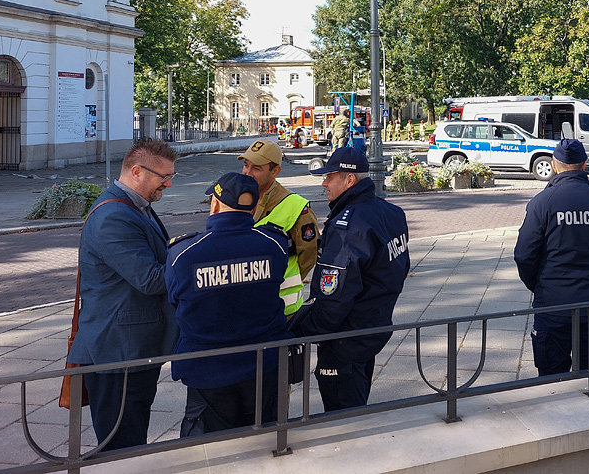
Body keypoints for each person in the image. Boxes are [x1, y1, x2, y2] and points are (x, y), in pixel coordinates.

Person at [67, 138, 180, 450]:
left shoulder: (135, 206)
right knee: (122, 448)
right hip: (117, 351)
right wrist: (195, 262)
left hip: (131, 347)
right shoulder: (114, 216)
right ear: (137, 171)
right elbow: (151, 278)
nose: (167, 185)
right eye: (164, 178)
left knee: (132, 441)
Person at [166, 173, 293, 436]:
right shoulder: (275, 244)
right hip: (264, 364)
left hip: (208, 372)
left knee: (210, 452)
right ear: (255, 208)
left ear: (214, 204)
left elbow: (174, 299)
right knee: (266, 443)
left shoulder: (184, 253)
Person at [292, 147, 410, 411]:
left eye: (329, 177)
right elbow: (401, 268)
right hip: (374, 326)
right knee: (358, 396)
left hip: (345, 338)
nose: (324, 183)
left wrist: (305, 331)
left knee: (343, 417)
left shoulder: (350, 227)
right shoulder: (390, 212)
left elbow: (334, 298)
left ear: (349, 180)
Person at [514, 139, 589, 375]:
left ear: (555, 165)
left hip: (553, 303)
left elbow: (525, 254)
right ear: (585, 164)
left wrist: (538, 284)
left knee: (552, 377)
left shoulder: (542, 203)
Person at [238, 140, 319, 315]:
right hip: (244, 309)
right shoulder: (234, 197)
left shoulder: (296, 207)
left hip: (283, 311)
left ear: (275, 171)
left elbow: (308, 256)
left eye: (256, 169)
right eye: (246, 165)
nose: (247, 173)